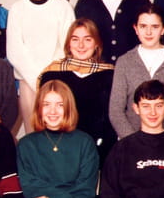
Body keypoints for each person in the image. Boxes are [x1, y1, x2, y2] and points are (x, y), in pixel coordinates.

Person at [7, 0, 75, 133]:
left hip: (57, 80)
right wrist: (37, 81)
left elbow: (69, 46)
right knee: (33, 133)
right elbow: (15, 51)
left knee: (59, 131)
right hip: (27, 83)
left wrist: (49, 78)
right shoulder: (17, 9)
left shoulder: (63, 7)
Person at [39, 18, 116, 164]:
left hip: (98, 148)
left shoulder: (110, 75)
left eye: (87, 39)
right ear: (68, 43)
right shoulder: (51, 74)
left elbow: (112, 117)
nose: (81, 45)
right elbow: (43, 116)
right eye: (75, 39)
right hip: (59, 146)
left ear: (96, 44)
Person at [109, 3, 164, 139]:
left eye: (155, 27)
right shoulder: (124, 62)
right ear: (135, 29)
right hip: (131, 141)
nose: (148, 32)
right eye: (143, 26)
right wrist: (133, 141)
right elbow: (116, 110)